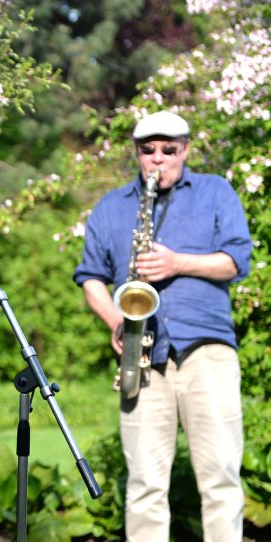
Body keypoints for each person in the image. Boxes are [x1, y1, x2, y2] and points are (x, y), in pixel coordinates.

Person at [73, 110, 252, 542]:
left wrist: (177, 263)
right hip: (143, 352)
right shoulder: (111, 207)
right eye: (148, 150)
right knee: (146, 484)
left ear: (185, 149)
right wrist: (117, 318)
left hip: (206, 350)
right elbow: (91, 277)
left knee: (221, 478)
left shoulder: (215, 192)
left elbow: (235, 261)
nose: (158, 160)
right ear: (137, 152)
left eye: (169, 150)